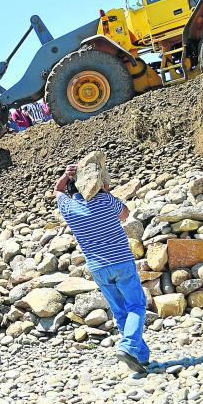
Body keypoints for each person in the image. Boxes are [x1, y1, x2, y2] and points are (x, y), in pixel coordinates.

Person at [54, 160, 150, 374]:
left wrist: (65, 175)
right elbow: (125, 214)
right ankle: (128, 346)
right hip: (121, 262)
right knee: (136, 306)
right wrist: (106, 191)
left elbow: (57, 190)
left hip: (98, 268)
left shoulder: (69, 207)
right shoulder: (106, 200)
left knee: (120, 311)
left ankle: (140, 357)